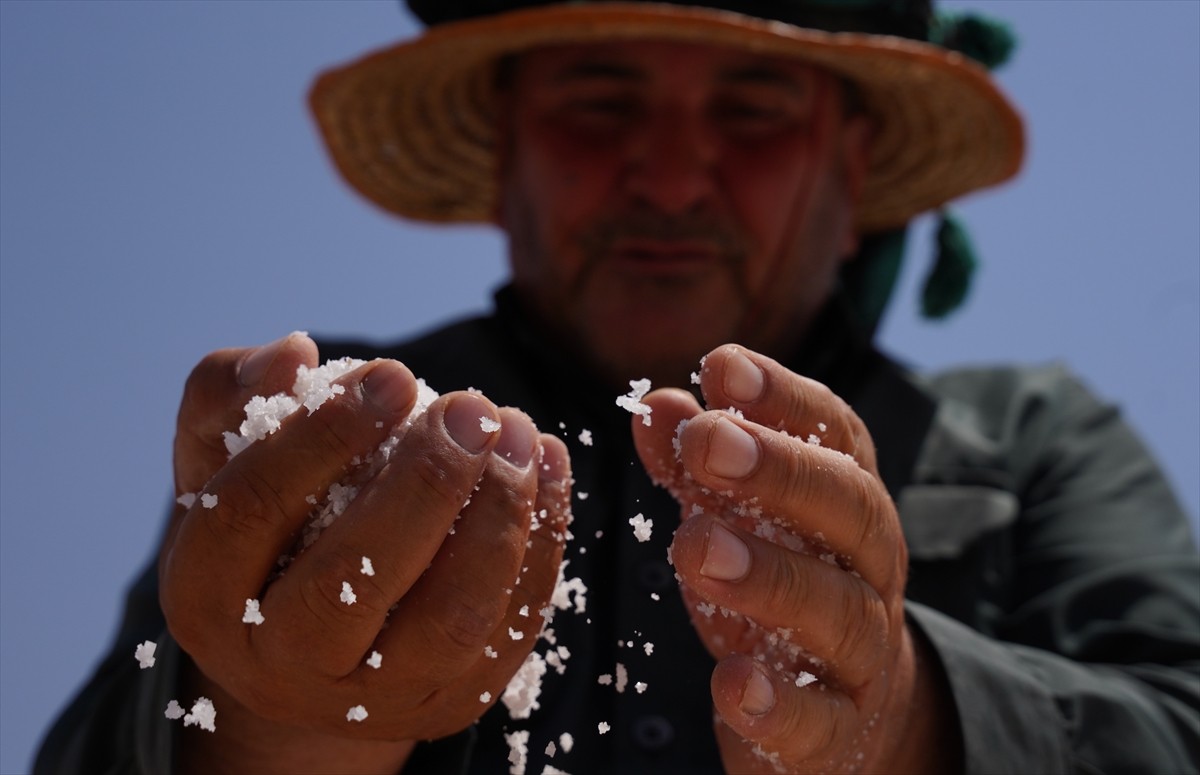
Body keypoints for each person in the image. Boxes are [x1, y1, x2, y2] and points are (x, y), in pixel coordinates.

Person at [35, 2, 1200, 774]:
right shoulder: (327, 435)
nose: (673, 173)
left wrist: (900, 715)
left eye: (752, 111)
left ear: (853, 174)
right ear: (507, 149)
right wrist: (277, 715)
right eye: (600, 100)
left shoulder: (1035, 436)